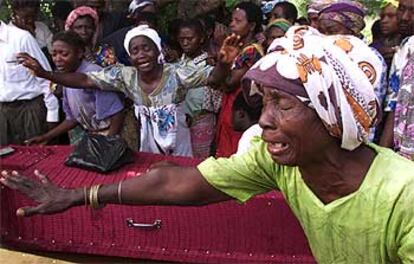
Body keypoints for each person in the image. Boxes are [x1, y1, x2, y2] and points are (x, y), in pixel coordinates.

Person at [4, 26, 414, 264]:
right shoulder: (280, 164)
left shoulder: (404, 197)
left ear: (333, 117)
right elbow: (176, 185)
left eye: (283, 104)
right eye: (264, 102)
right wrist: (77, 195)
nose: (265, 120)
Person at [17, 25, 211, 157]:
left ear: (158, 50)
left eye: (147, 48)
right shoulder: (126, 76)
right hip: (148, 148)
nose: (141, 55)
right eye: (135, 51)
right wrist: (44, 73)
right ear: (129, 55)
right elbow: (84, 79)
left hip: (179, 146)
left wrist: (225, 64)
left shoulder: (177, 73)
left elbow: (215, 78)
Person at [25, 31, 125, 146]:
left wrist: (109, 143)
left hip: (111, 134)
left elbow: (117, 112)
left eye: (64, 54)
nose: (58, 59)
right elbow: (72, 118)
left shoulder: (94, 73)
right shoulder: (65, 77)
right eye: (54, 54)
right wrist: (46, 136)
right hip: (92, 136)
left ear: (79, 53)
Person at [317, 0, 388, 142]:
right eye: (321, 31)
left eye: (331, 31)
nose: (326, 37)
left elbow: (372, 105)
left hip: (359, 137)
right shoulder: (319, 54)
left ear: (352, 31)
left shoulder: (371, 59)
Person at [209, 2, 264, 157]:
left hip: (241, 108)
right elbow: (212, 81)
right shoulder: (236, 49)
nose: (232, 24)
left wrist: (223, 65)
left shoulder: (252, 51)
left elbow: (229, 83)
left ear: (252, 25)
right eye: (231, 20)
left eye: (238, 21)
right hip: (229, 107)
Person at [0, 9, 59, 145]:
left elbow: (46, 78)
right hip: (3, 114)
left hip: (29, 111)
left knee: (37, 158)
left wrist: (52, 117)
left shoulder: (21, 38)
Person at [177, 19, 222, 158]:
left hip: (202, 119)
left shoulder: (209, 62)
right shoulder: (179, 62)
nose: (185, 43)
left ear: (201, 38)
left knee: (200, 161)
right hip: (181, 120)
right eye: (181, 39)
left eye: (190, 39)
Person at [380, 0, 414, 159]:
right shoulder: (406, 48)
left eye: (413, 11)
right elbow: (394, 104)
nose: (405, 17)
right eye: (401, 9)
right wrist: (384, 156)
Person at [371, 1, 401, 68]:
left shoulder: (409, 45)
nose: (384, 21)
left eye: (391, 16)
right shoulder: (374, 49)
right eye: (382, 17)